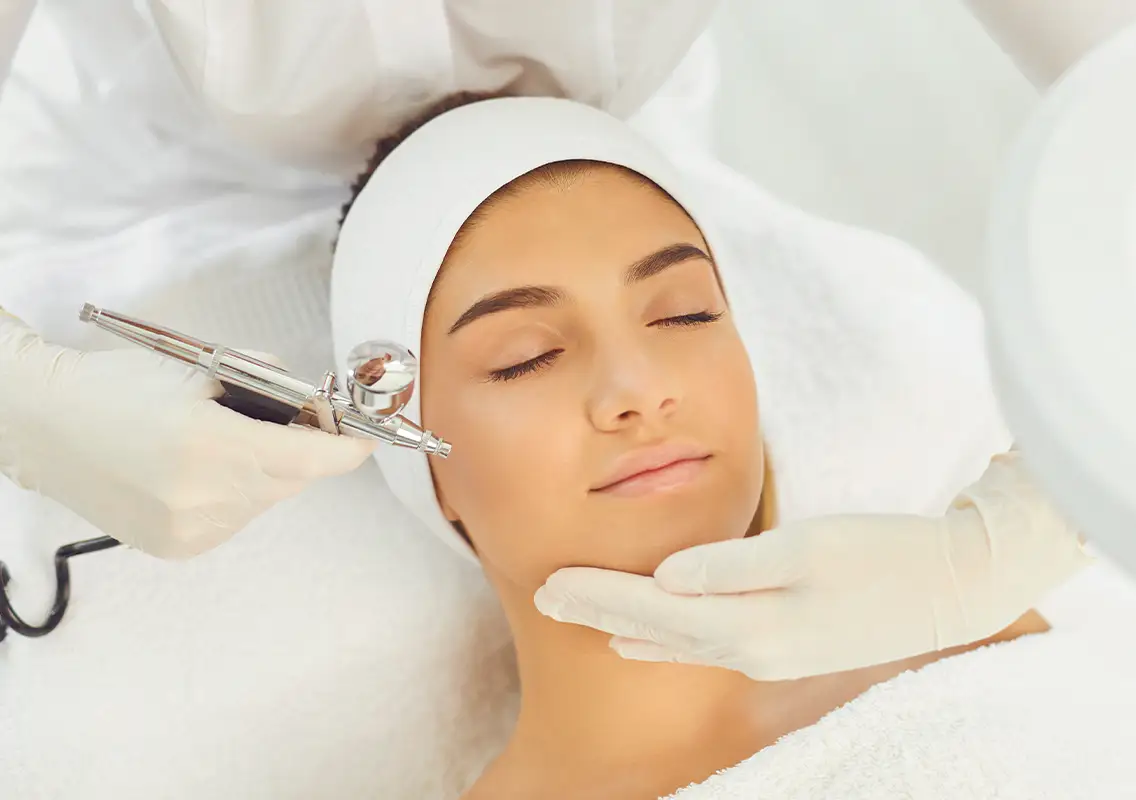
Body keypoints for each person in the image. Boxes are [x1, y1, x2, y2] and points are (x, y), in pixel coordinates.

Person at [330, 92, 1057, 798]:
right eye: (525, 357)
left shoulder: (981, 650)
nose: (639, 390)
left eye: (683, 313)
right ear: (419, 459)